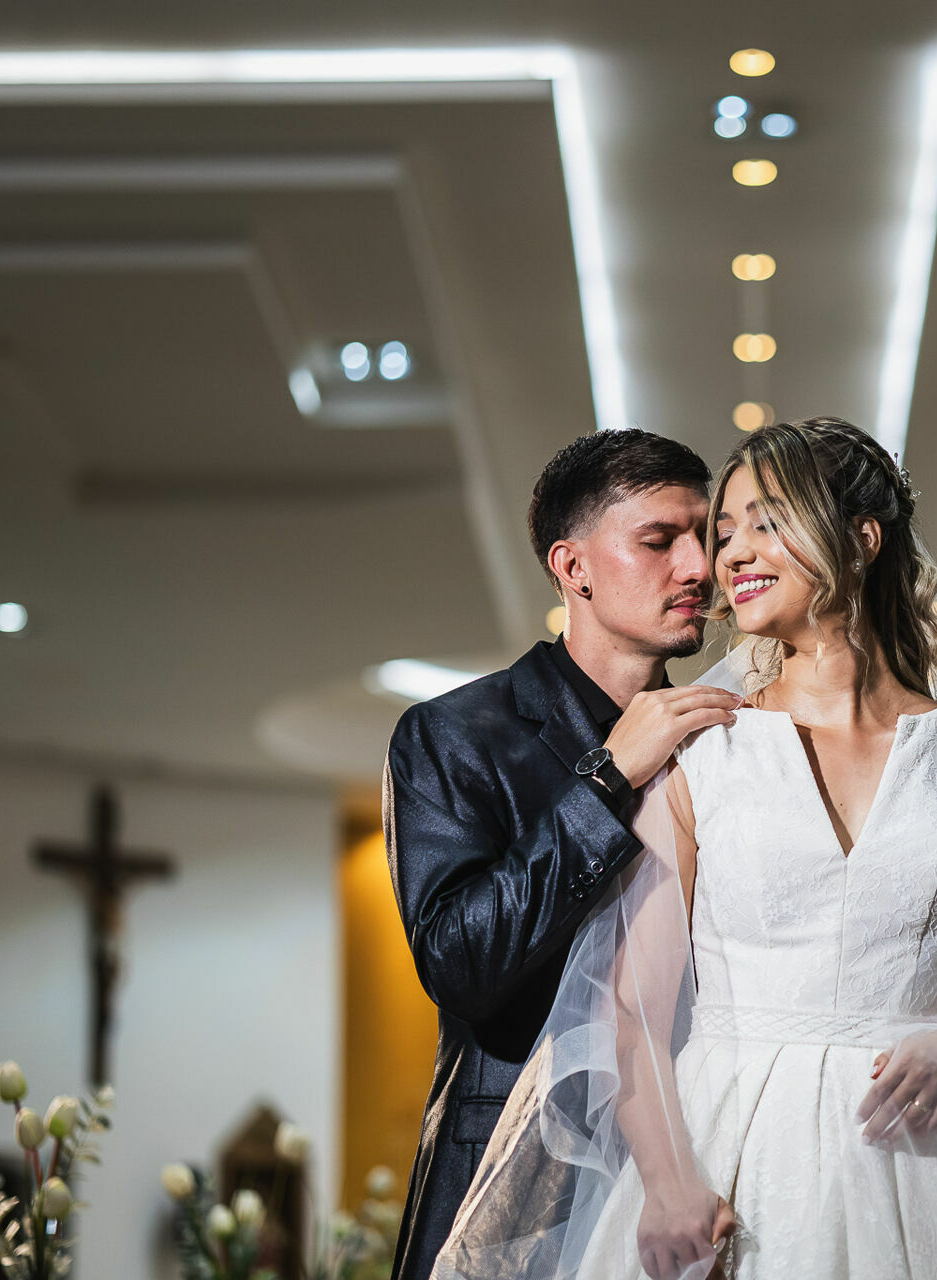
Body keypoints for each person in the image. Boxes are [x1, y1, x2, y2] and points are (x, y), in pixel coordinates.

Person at [433, 416, 937, 1280]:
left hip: (933, 1168)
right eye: (722, 531)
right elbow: (632, 1009)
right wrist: (665, 1185)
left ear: (861, 537)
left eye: (765, 522)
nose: (727, 555)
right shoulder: (699, 746)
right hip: (731, 1153)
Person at [383, 428, 746, 1280]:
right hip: (515, 1188)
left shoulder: (731, 740)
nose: (699, 567)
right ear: (573, 567)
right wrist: (609, 777)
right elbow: (461, 963)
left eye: (708, 537)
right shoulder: (451, 736)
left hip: (706, 1158)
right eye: (660, 541)